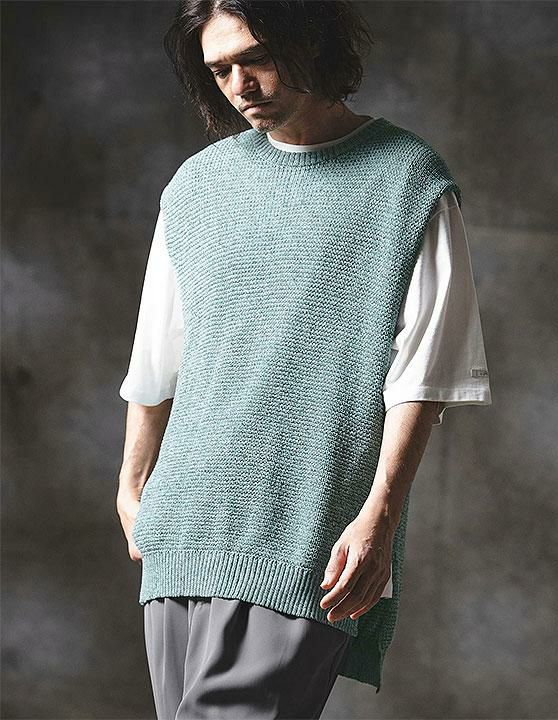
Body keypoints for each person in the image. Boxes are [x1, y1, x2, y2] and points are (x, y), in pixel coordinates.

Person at [116, 1, 492, 718]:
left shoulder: (407, 180)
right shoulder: (197, 185)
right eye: (219, 70)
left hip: (306, 525)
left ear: (309, 42)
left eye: (255, 58)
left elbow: (423, 375)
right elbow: (157, 355)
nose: (239, 85)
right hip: (182, 524)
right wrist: (133, 483)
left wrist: (380, 515)